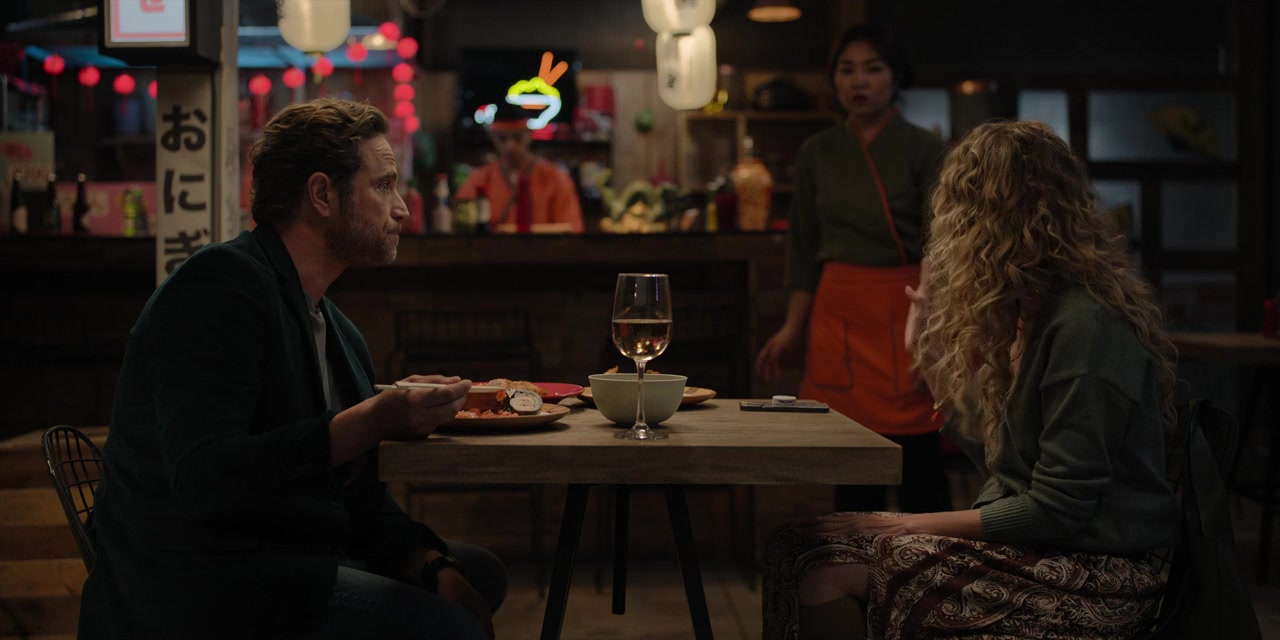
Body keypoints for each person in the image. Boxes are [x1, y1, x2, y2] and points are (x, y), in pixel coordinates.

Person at [78, 98, 507, 640]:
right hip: (196, 582)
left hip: (285, 554)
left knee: (476, 574)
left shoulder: (335, 328)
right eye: (383, 186)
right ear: (322, 194)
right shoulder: (218, 287)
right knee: (447, 627)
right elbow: (207, 479)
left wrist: (430, 563)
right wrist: (371, 420)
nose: (401, 208)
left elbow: (358, 499)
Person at [762, 120, 1181, 640]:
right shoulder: (1025, 311)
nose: (949, 234)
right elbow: (1004, 460)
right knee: (796, 546)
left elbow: (1057, 510)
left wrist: (904, 523)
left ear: (1004, 220)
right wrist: (928, 355)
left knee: (825, 572)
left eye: (962, 212)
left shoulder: (1085, 327)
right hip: (1046, 547)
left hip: (1099, 573)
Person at [754, 24, 951, 514]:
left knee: (919, 455)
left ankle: (932, 557)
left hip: (908, 307)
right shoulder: (817, 152)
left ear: (895, 77)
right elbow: (804, 246)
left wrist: (930, 317)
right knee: (851, 455)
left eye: (873, 69)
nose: (858, 81)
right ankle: (853, 558)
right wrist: (792, 327)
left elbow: (940, 239)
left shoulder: (925, 148)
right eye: (846, 70)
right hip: (838, 307)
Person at [454, 102, 585, 233]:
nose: (510, 146)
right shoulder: (480, 179)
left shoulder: (556, 178)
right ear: (493, 138)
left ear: (529, 135)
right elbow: (462, 225)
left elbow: (572, 229)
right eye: (502, 139)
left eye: (517, 138)